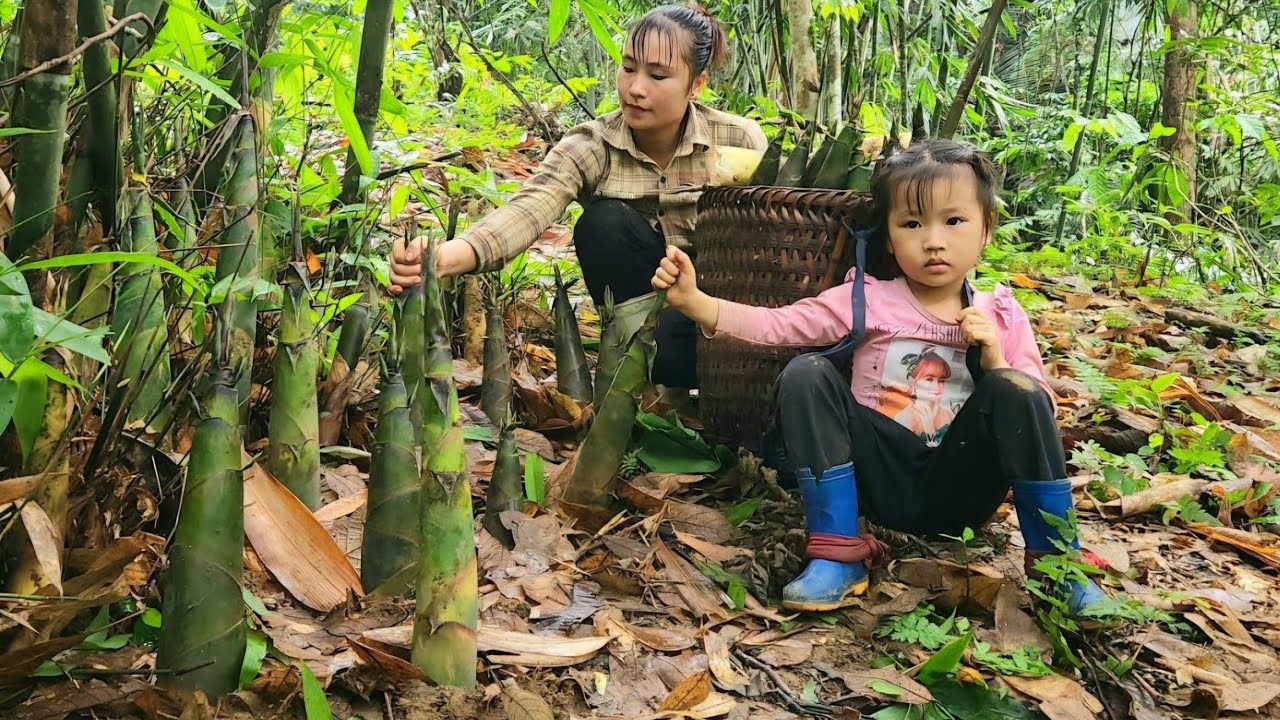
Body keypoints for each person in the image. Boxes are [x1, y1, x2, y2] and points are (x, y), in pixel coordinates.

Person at [651, 138, 1107, 615]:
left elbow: (1039, 414)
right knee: (807, 373)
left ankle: (1059, 565)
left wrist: (994, 357)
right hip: (879, 479)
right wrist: (695, 302)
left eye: (954, 221)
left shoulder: (1001, 313)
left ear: (986, 229)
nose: (933, 240)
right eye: (912, 223)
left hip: (962, 484)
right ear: (889, 238)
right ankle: (838, 553)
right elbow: (778, 326)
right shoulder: (867, 299)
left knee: (1016, 387)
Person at [389, 4, 767, 390]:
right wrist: (448, 256)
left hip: (720, 310)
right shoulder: (593, 145)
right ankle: (644, 363)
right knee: (603, 223)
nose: (636, 88)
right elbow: (532, 207)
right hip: (651, 317)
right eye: (629, 67)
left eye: (657, 75)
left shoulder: (739, 140)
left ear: (696, 84)